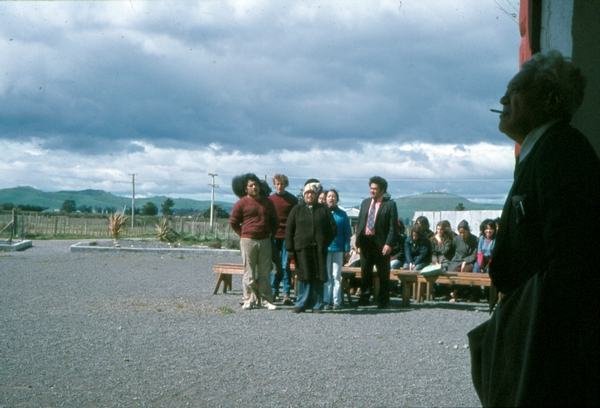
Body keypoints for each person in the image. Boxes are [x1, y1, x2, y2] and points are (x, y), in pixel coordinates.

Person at [468, 51, 600, 407]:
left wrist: (540, 343)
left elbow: (571, 258)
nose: (502, 100)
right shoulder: (542, 150)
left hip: (545, 339)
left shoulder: (562, 150)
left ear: (551, 99)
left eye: (516, 90)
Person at [229, 173, 279, 310]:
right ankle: (249, 299)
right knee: (249, 272)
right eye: (251, 185)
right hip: (248, 241)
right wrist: (243, 235)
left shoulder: (267, 202)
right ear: (246, 189)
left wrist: (270, 234)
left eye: (256, 184)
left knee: (265, 271)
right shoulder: (241, 203)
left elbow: (275, 221)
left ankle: (266, 300)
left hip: (265, 240)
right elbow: (233, 222)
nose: (254, 187)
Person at [286, 181, 336, 313]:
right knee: (303, 276)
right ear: (303, 195)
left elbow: (332, 229)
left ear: (316, 195)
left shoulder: (323, 209)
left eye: (312, 193)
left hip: (319, 250)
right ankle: (301, 303)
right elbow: (289, 230)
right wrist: (291, 249)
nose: (309, 195)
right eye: (307, 193)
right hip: (302, 250)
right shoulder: (296, 210)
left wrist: (324, 243)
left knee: (318, 276)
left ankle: (317, 305)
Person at [355, 176, 398, 308]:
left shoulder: (389, 205)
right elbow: (360, 222)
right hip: (366, 242)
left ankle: (383, 299)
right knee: (365, 271)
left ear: (382, 190)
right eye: (371, 188)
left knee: (383, 273)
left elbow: (393, 227)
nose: (372, 191)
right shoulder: (365, 203)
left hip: (381, 243)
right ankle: (365, 297)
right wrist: (357, 242)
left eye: (375, 189)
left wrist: (388, 244)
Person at [268, 174, 298, 305]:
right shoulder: (270, 200)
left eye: (282, 184)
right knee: (274, 265)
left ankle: (286, 294)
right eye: (277, 184)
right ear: (274, 184)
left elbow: (295, 219)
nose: (279, 186)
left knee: (286, 265)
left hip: (287, 237)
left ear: (285, 185)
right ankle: (273, 291)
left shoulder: (292, 200)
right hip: (273, 236)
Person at [324, 189, 351, 310]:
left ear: (337, 199)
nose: (331, 198)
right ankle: (326, 301)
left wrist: (346, 249)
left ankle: (336, 301)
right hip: (325, 249)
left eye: (333, 196)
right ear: (325, 199)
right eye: (329, 196)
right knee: (327, 276)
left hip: (338, 248)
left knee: (336, 275)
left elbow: (347, 233)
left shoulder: (342, 214)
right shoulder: (323, 212)